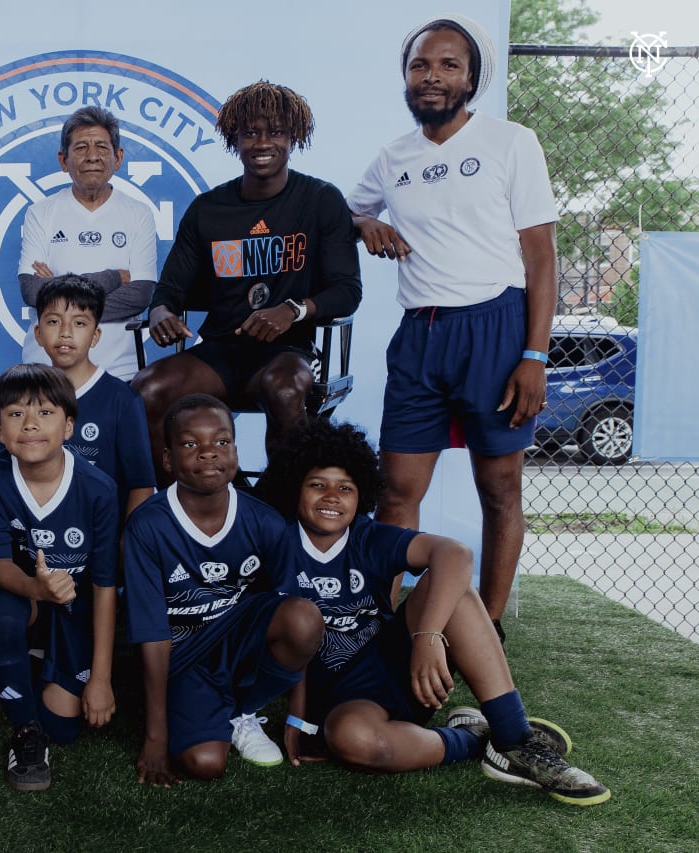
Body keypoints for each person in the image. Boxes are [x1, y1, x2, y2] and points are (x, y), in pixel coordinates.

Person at [256, 419, 610, 806]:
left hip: (402, 667)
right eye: (317, 484)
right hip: (343, 699)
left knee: (453, 585)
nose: (332, 496)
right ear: (295, 487)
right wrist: (298, 716)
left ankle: (514, 736)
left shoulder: (367, 537)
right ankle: (475, 741)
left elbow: (455, 554)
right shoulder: (276, 543)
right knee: (353, 741)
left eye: (346, 487)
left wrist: (427, 636)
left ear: (362, 496)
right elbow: (280, 642)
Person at [347, 15, 558, 638]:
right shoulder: (393, 158)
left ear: (471, 78)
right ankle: (381, 631)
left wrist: (535, 356)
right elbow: (349, 208)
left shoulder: (511, 142)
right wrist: (367, 225)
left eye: (447, 65)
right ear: (406, 78)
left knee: (498, 487)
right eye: (420, 66)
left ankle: (484, 628)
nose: (431, 77)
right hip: (421, 335)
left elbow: (541, 255)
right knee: (396, 492)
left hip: (495, 327)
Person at [0, 275, 156, 698]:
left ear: (97, 333)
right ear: (37, 332)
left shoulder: (121, 399)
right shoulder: (25, 391)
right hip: (19, 532)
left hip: (84, 536)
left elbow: (141, 484)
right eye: (53, 321)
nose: (65, 333)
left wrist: (129, 540)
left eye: (79, 323)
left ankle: (65, 640)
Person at [132, 81, 362, 486]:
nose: (262, 142)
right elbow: (169, 291)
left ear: (294, 137)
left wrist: (293, 310)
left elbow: (347, 290)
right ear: (233, 138)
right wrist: (162, 313)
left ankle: (283, 510)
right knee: (147, 388)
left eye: (275, 132)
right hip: (221, 352)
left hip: (288, 352)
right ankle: (193, 504)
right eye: (250, 132)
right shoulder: (208, 208)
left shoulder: (320, 199)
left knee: (286, 390)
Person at [123, 394, 323, 784]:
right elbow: (151, 635)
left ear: (235, 449)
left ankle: (242, 709)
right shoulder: (147, 527)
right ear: (167, 459)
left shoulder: (265, 521)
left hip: (236, 641)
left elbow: (288, 607)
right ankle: (209, 709)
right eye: (189, 444)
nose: (208, 453)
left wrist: (299, 716)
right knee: (205, 764)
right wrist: (155, 737)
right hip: (183, 656)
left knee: (303, 618)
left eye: (221, 441)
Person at [0, 363, 120, 791]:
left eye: (45, 413)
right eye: (16, 414)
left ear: (69, 426)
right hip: (27, 595)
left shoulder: (98, 489)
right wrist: (36, 587)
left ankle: (34, 663)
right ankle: (24, 730)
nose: (31, 424)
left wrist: (102, 678)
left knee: (66, 726)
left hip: (76, 605)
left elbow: (106, 585)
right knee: (2, 614)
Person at [18, 106, 158, 380]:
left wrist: (58, 292)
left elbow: (140, 294)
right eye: (81, 147)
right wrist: (111, 277)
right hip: (45, 365)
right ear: (63, 160)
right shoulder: (41, 212)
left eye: (102, 147)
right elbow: (33, 292)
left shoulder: (139, 213)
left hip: (120, 369)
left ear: (118, 158)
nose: (92, 156)